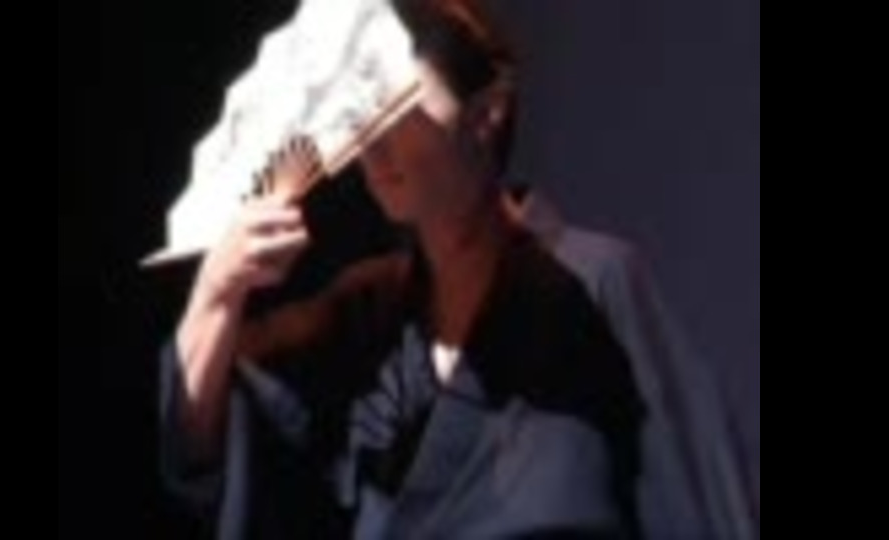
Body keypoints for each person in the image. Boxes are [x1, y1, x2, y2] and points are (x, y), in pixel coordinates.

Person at [159, 1, 756, 538]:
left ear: (487, 113)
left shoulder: (592, 280)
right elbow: (204, 448)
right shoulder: (367, 311)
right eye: (360, 121)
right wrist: (217, 293)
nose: (374, 147)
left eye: (401, 113)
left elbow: (703, 495)